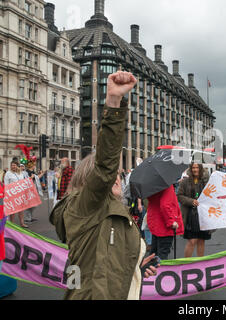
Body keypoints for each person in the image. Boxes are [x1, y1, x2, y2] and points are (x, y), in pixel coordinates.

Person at [49, 71, 158, 300]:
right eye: (112, 175)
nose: (117, 177)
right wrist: (114, 103)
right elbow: (106, 163)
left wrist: (136, 267)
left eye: (119, 174)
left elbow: (101, 265)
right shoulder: (84, 206)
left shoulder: (111, 210)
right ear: (94, 180)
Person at [177, 163, 211, 258]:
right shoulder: (185, 182)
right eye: (193, 168)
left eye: (197, 168)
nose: (195, 170)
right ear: (191, 169)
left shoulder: (205, 182)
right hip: (190, 215)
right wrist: (191, 201)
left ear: (200, 169)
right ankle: (186, 264)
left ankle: (200, 263)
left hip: (203, 215)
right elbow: (179, 196)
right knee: (192, 240)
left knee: (201, 240)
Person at [147, 184, 184, 260]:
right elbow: (165, 205)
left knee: (154, 253)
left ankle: (152, 270)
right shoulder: (167, 186)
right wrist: (171, 222)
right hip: (164, 226)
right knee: (162, 255)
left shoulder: (152, 186)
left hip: (155, 222)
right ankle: (160, 271)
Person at [4, 161, 28, 228]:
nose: (13, 167)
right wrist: (7, 194)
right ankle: (12, 224)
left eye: (14, 165)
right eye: (12, 165)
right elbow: (6, 184)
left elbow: (23, 182)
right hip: (12, 194)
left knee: (21, 210)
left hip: (20, 193)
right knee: (13, 210)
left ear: (17, 166)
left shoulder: (21, 173)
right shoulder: (8, 173)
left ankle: (22, 223)